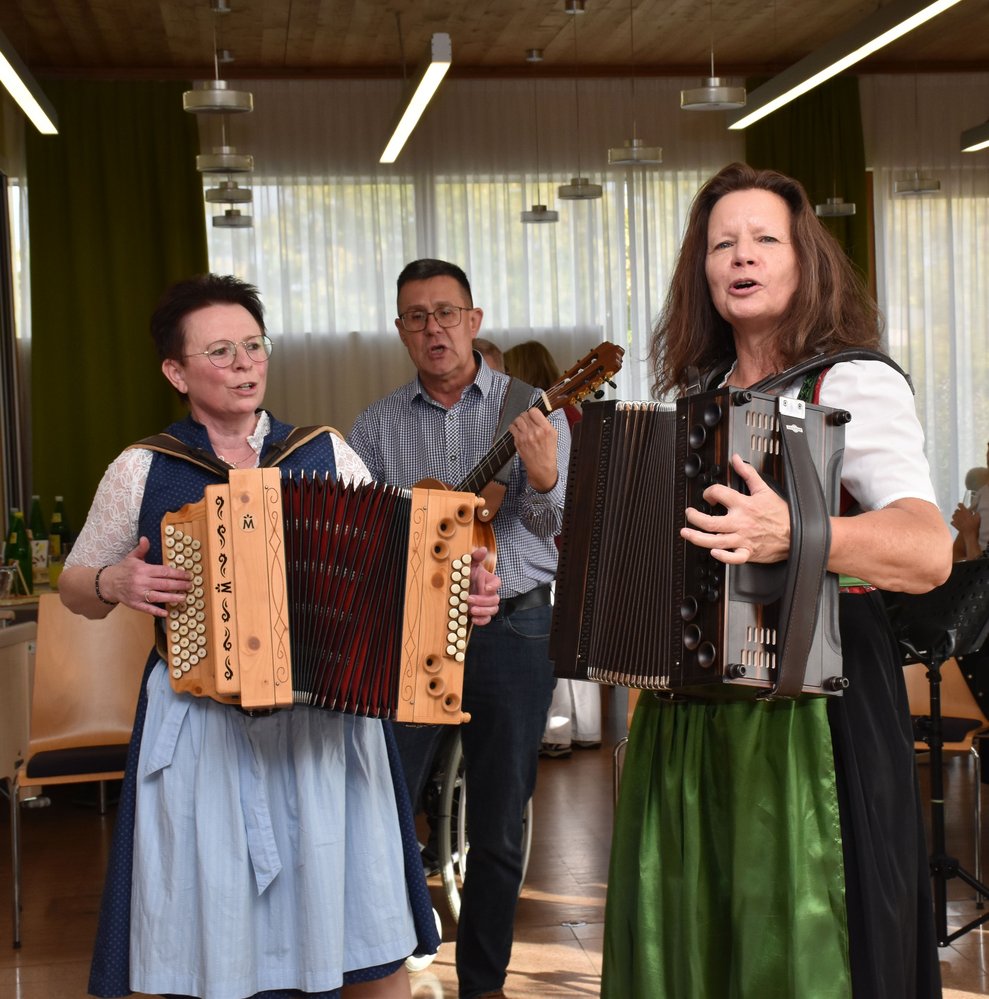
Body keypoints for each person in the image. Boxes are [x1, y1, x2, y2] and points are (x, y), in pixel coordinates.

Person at [60, 273, 500, 999]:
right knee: (213, 926)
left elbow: (403, 562)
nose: (244, 363)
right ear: (176, 371)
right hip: (202, 728)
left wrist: (462, 591)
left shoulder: (324, 453)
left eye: (254, 345)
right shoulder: (143, 467)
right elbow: (75, 582)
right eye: (221, 350)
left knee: (358, 930)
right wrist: (115, 582)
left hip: (324, 732)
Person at [601, 163, 952, 999]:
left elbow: (927, 548)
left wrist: (796, 533)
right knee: (701, 940)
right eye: (722, 243)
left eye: (764, 239)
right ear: (702, 271)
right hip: (689, 721)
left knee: (803, 943)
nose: (740, 256)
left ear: (804, 262)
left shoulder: (851, 381)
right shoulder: (696, 398)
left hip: (810, 717)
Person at [348, 259, 570, 999]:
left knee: (501, 821)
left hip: (515, 630)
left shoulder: (531, 406)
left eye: (446, 312)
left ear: (473, 322)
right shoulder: (375, 426)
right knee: (383, 804)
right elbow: (366, 539)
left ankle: (484, 984)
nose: (432, 328)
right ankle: (389, 957)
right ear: (400, 330)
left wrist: (541, 479)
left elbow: (565, 528)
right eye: (416, 316)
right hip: (414, 634)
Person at [503, 340, 602, 758]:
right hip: (585, 533)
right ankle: (589, 729)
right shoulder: (576, 414)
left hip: (559, 536)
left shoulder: (541, 423)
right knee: (578, 644)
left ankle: (557, 734)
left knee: (558, 646)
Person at [951, 441, 989, 560]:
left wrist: (969, 534)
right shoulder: (983, 493)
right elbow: (956, 555)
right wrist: (966, 527)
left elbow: (983, 574)